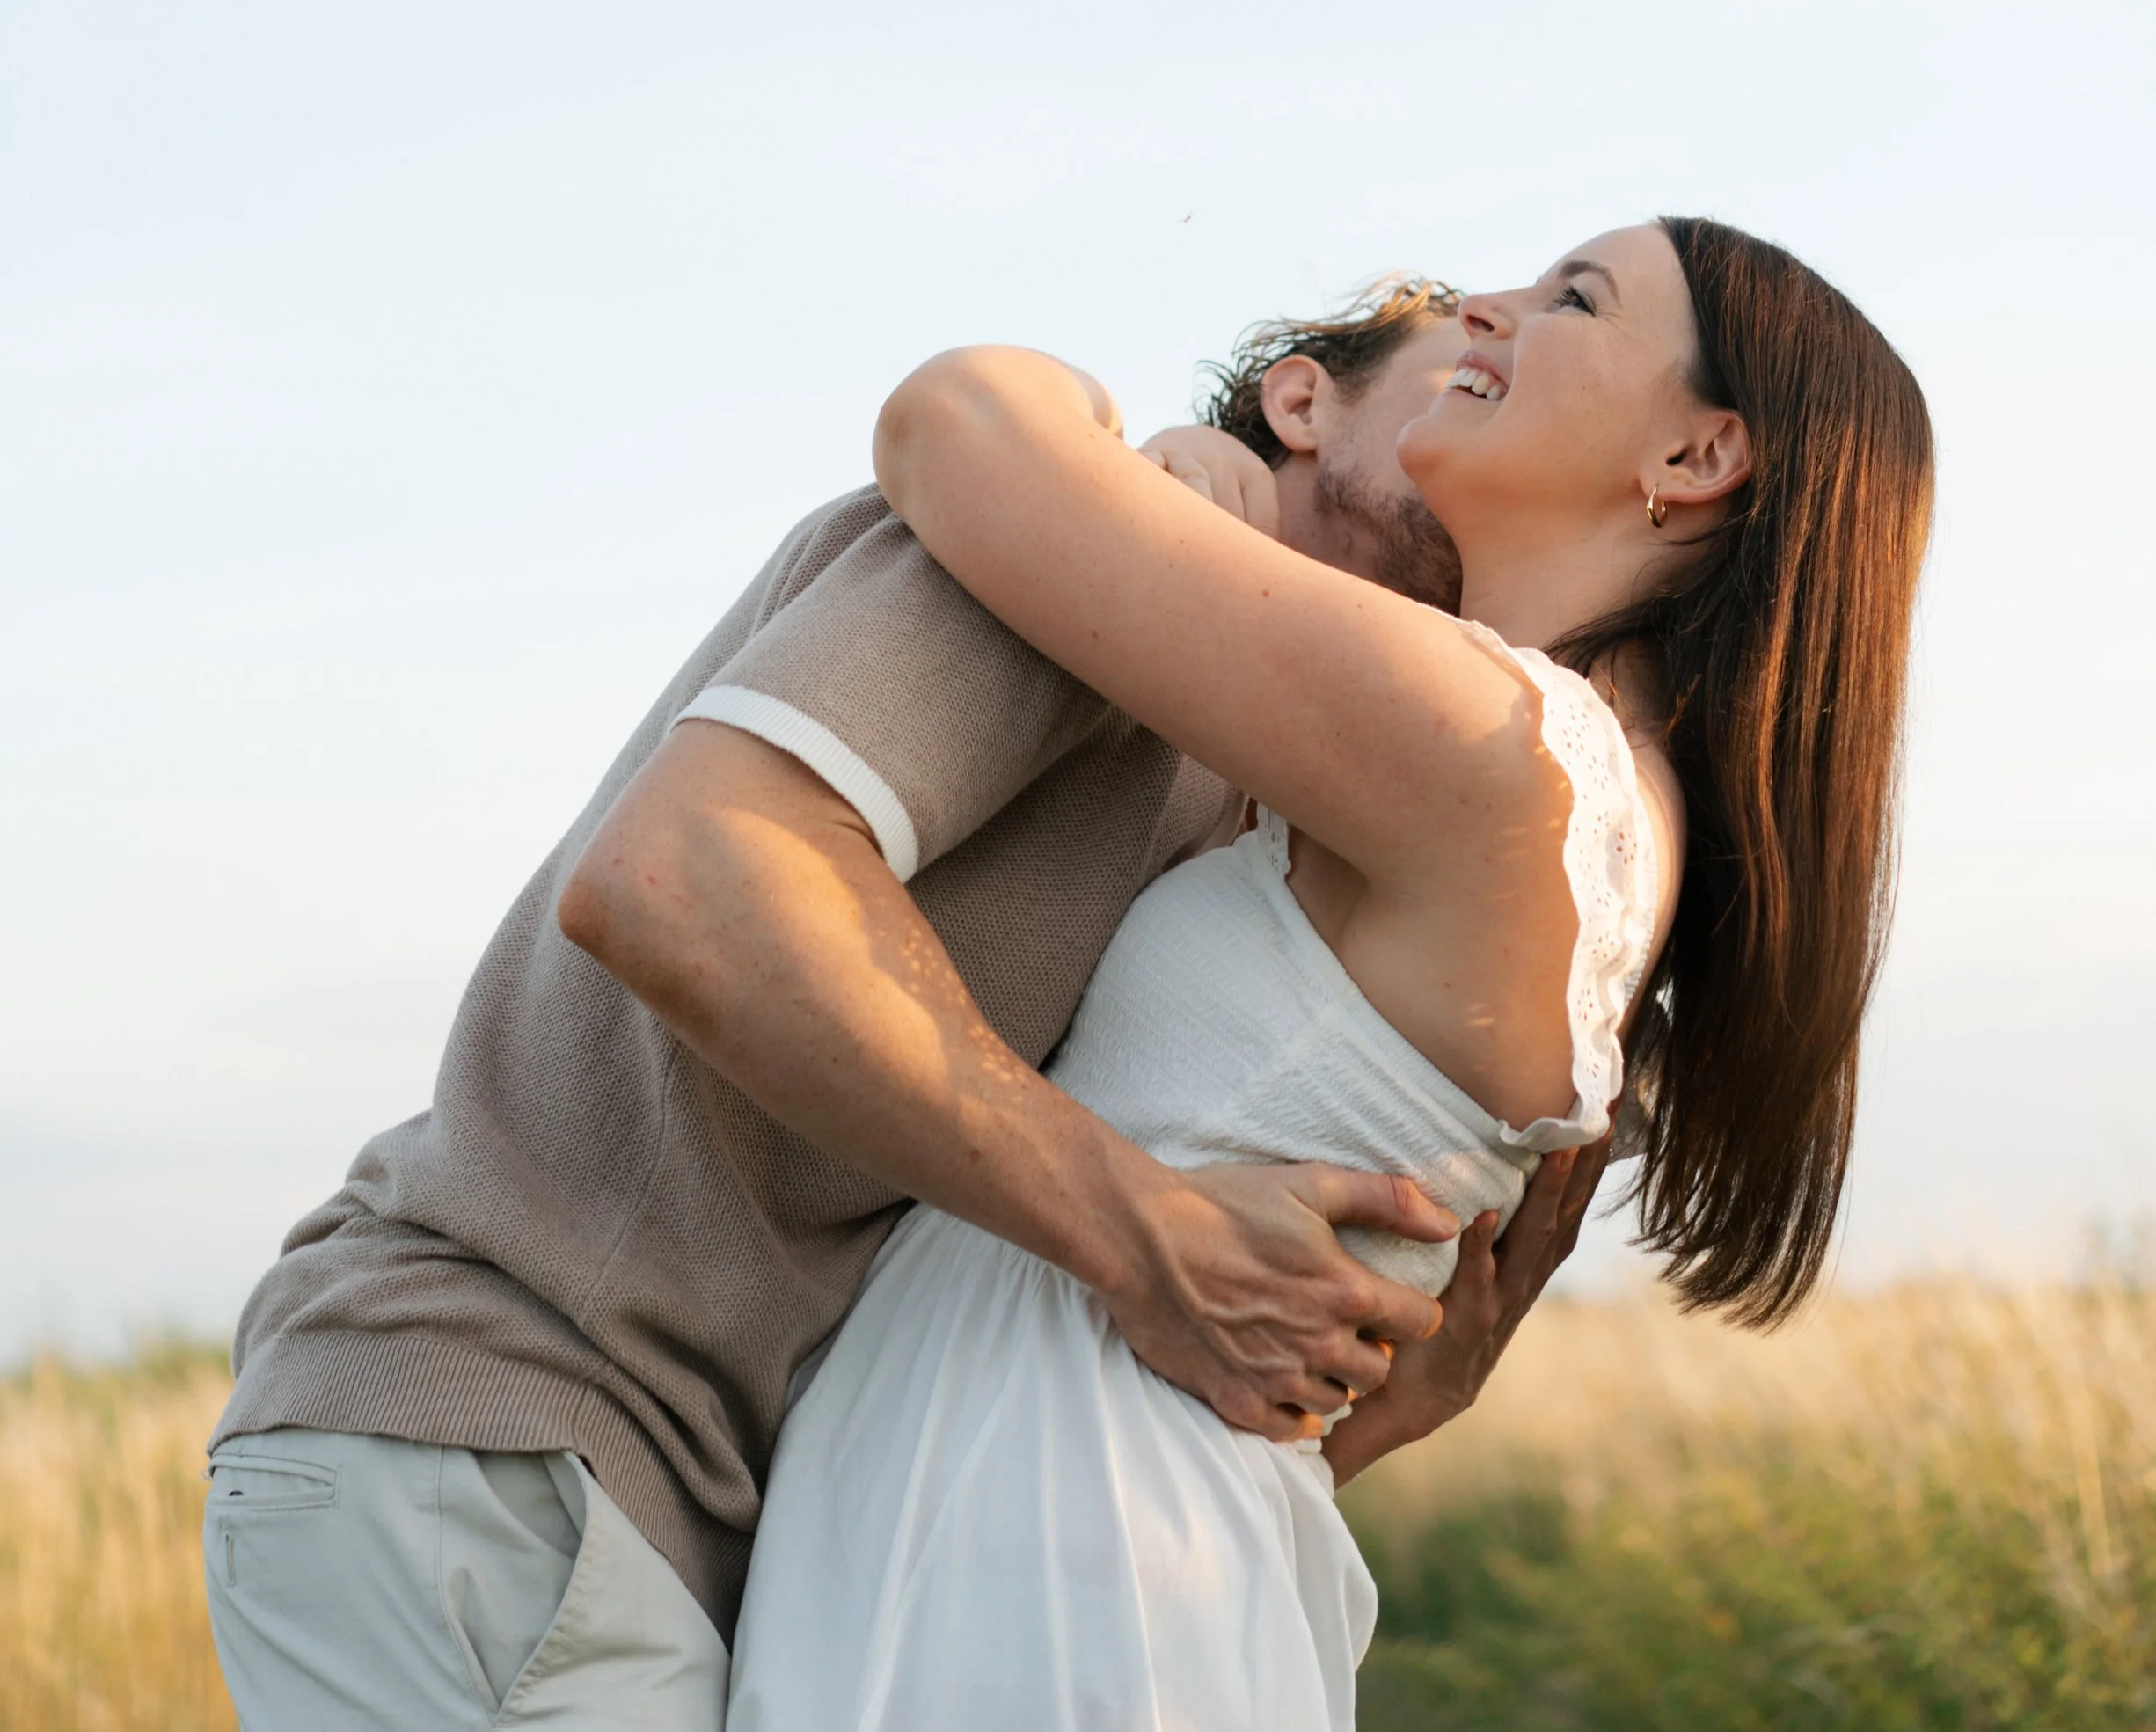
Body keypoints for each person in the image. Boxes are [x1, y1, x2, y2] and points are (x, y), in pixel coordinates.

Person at [204, 274, 1590, 1732]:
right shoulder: (1078, 550)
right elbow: (677, 882)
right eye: (1464, 359)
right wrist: (1158, 1234)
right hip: (504, 1436)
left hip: (706, 1526)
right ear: (1303, 402)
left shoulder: (1269, 819)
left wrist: (1356, 1411)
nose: (1507, 359)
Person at [723, 216, 1933, 1730]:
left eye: (1573, 297)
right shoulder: (1576, 788)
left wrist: (1128, 435)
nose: (1486, 303)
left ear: (1696, 457)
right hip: (1073, 1525)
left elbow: (952, 424)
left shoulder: (1504, 753)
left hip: (1044, 1540)